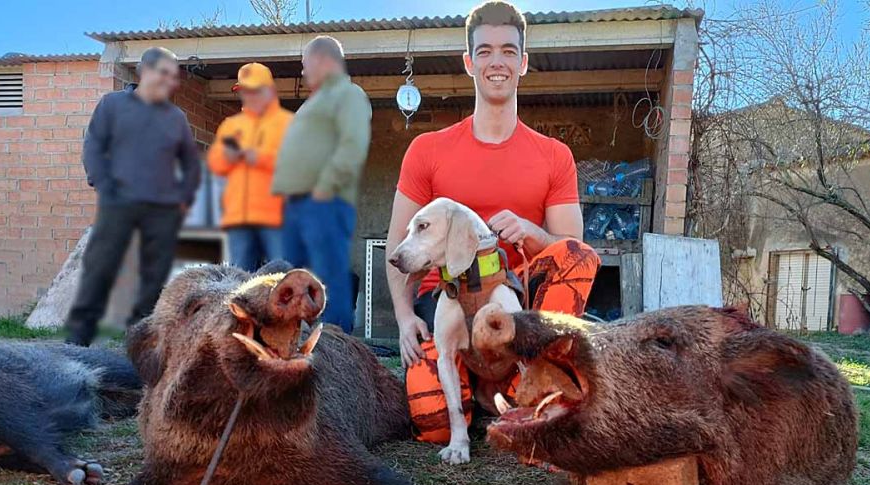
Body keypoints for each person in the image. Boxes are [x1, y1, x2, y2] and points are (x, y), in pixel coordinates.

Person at [386, 1, 601, 443]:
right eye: (484, 51)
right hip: (444, 298)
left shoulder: (554, 155)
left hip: (517, 303)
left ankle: (539, 373)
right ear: (469, 62)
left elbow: (571, 252)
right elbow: (399, 244)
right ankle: (476, 396)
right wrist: (405, 317)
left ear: (523, 63)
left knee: (580, 257)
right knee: (432, 425)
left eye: (507, 51)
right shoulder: (427, 150)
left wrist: (534, 231)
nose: (496, 62)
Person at [65, 47, 200, 347]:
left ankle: (139, 343)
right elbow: (93, 147)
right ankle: (77, 344)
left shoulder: (176, 116)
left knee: (152, 276)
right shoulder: (112, 104)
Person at [271, 36, 372, 333]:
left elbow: (352, 144)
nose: (303, 73)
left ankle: (334, 343)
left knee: (328, 275)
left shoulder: (349, 94)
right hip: (297, 206)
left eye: (305, 65)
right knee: (292, 275)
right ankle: (292, 342)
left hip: (322, 202)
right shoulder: (312, 105)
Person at [207, 63, 293, 271]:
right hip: (239, 218)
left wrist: (259, 158)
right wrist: (227, 157)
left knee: (280, 276)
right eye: (244, 90)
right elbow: (215, 164)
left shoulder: (287, 123)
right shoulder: (231, 125)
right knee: (239, 279)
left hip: (276, 216)